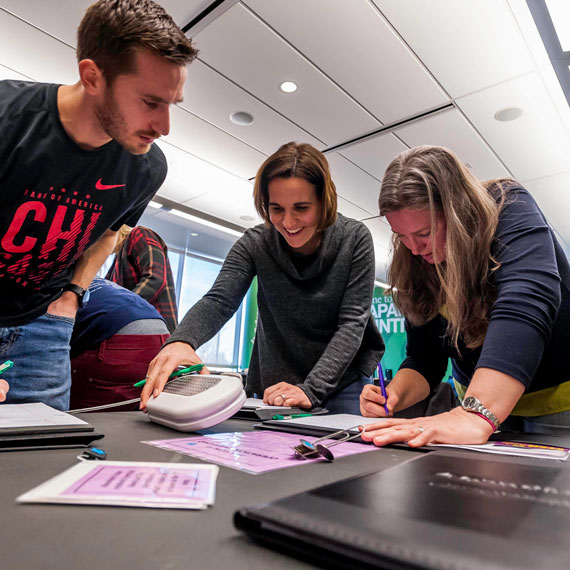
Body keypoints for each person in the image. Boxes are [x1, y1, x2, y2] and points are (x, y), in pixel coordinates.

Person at [0, 0, 197, 410]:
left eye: (171, 104)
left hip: (45, 326)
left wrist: (72, 294)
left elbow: (107, 235)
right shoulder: (8, 119)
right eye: (149, 102)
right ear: (92, 77)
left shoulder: (146, 168)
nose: (164, 127)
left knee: (42, 461)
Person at [140, 142, 385, 413]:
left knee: (344, 452)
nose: (289, 222)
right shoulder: (255, 243)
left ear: (323, 201)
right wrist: (181, 341)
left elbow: (352, 324)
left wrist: (311, 389)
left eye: (301, 208)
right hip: (278, 378)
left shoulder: (354, 238)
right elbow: (219, 300)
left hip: (344, 381)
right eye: (276, 208)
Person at [359, 145, 570, 447]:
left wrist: (477, 413)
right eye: (402, 237)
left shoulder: (508, 206)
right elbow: (425, 358)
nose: (415, 249)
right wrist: (393, 395)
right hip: (475, 401)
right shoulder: (417, 262)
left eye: (424, 233)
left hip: (556, 400)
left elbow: (525, 302)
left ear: (458, 211)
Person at [70, 277, 169, 411]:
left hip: (120, 336)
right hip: (161, 334)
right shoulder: (97, 280)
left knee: (81, 419)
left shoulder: (51, 283)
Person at [106, 225, 178, 332]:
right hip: (139, 328)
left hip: (156, 330)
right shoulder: (117, 261)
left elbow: (154, 279)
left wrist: (122, 309)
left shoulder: (140, 234)